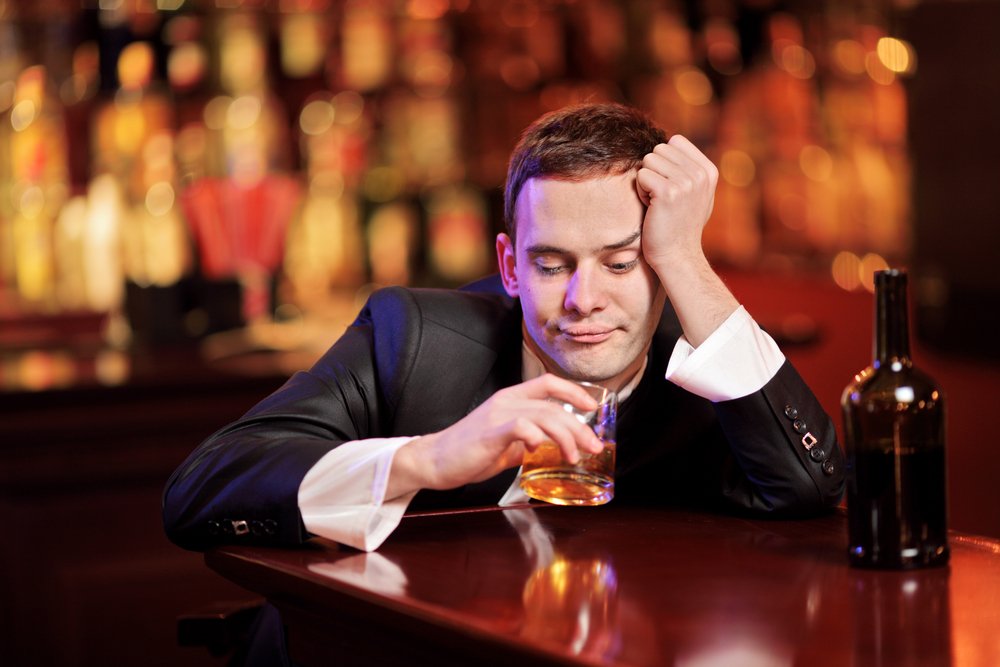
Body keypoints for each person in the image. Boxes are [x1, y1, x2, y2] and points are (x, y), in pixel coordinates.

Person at [163, 102, 843, 556]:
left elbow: (812, 487)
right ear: (509, 264)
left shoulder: (708, 379)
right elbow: (199, 490)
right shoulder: (411, 338)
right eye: (551, 264)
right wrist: (426, 457)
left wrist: (685, 259)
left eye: (621, 261)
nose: (585, 298)